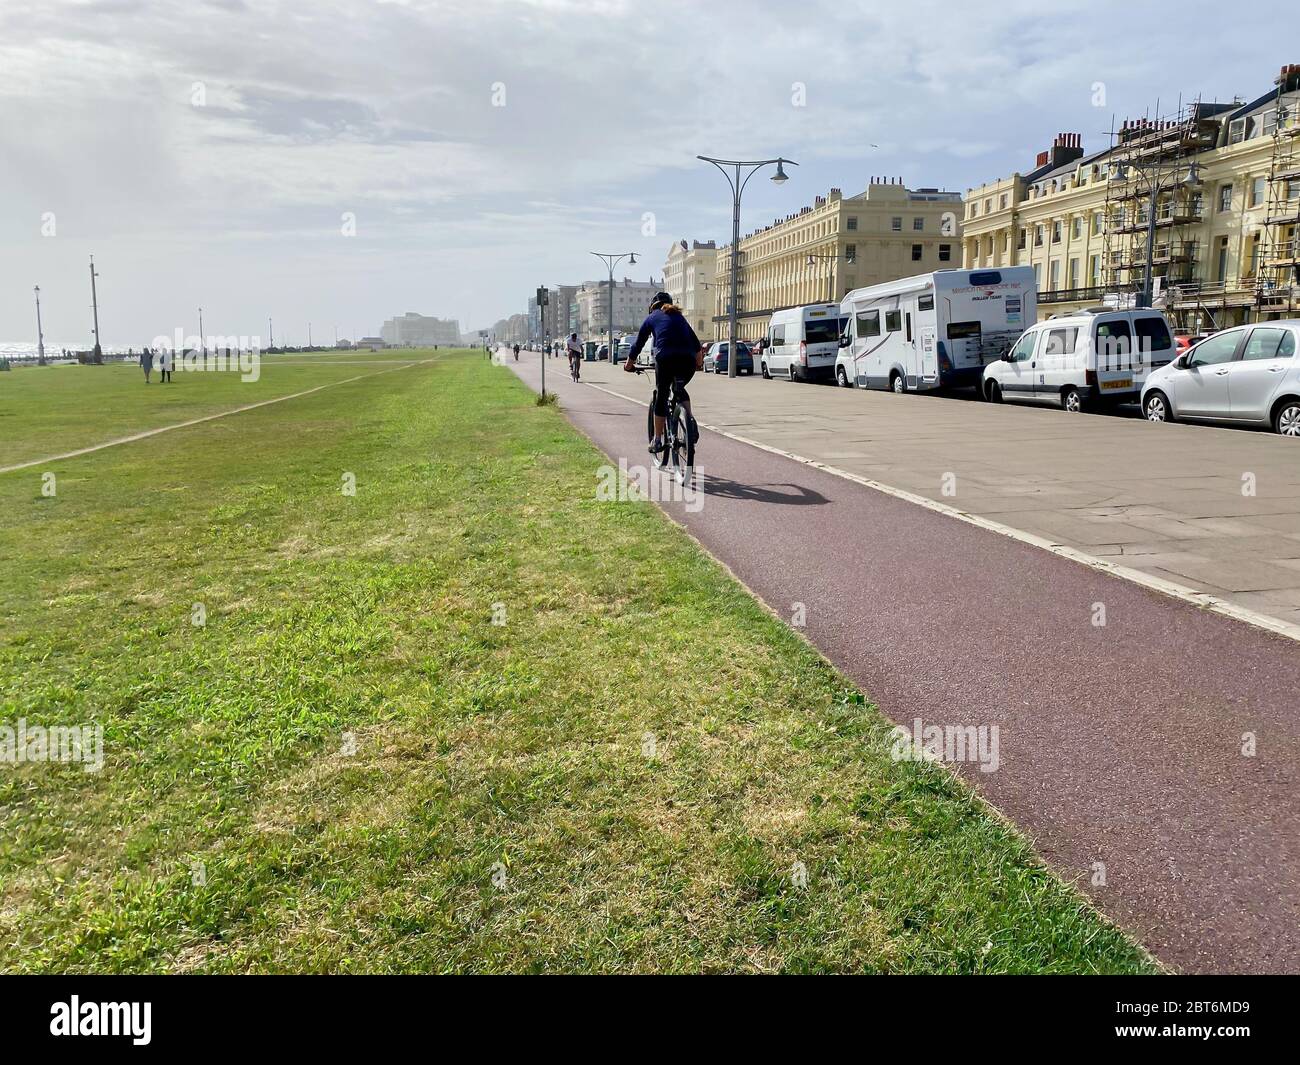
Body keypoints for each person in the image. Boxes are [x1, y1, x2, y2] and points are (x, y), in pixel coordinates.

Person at [625, 291, 702, 455]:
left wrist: (629, 365)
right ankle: (689, 420)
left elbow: (638, 344)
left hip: (666, 359)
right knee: (679, 388)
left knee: (662, 393)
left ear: (652, 307)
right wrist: (698, 364)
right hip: (687, 361)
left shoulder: (652, 317)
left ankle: (657, 440)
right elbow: (697, 346)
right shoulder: (679, 317)